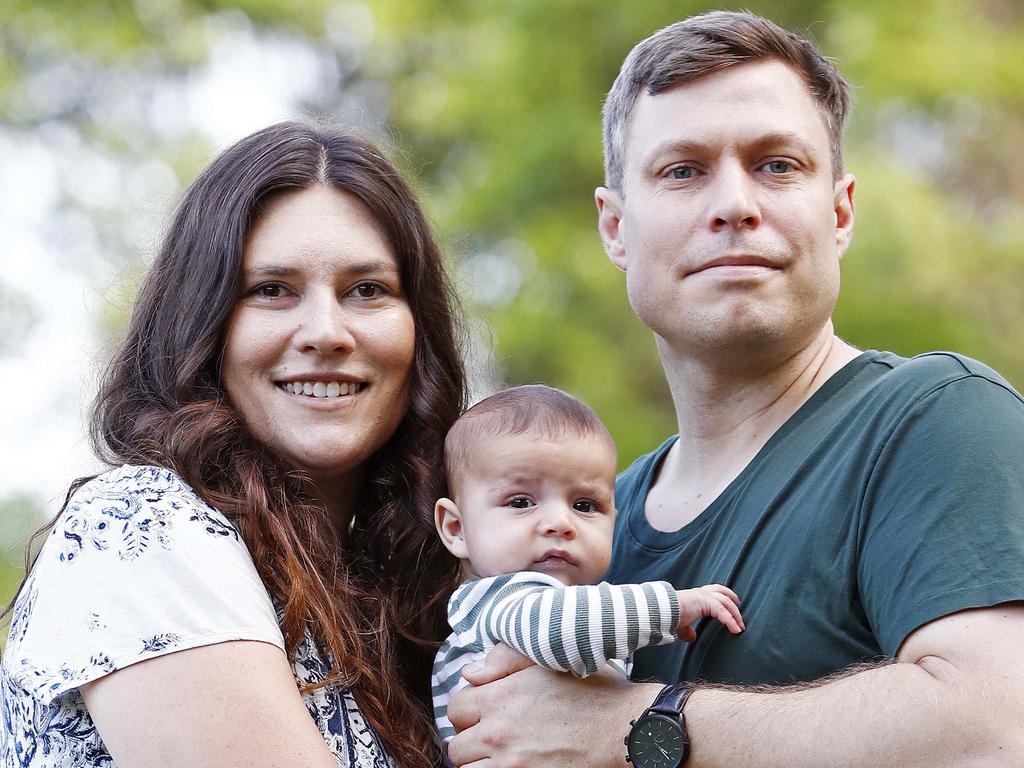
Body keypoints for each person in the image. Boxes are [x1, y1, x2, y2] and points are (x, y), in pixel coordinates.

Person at [445, 11, 1024, 768]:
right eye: (682, 170)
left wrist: (630, 728)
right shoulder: (584, 524)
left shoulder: (936, 418)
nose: (735, 205)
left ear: (840, 210)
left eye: (777, 165)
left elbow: (995, 731)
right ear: (615, 228)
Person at [1, 121, 467, 767]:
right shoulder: (142, 530)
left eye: (368, 290)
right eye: (271, 290)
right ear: (204, 325)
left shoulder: (396, 589)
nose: (326, 332)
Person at [429, 384, 743, 749]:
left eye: (584, 506)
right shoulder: (493, 599)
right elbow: (559, 628)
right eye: (520, 501)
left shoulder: (577, 598)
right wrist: (673, 607)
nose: (560, 522)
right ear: (456, 529)